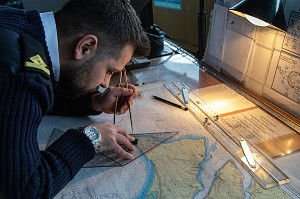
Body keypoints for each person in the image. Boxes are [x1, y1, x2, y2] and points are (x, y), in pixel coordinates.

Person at [0, 0, 150, 198]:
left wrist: (92, 102)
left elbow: (28, 102)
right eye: (109, 71)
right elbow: (26, 189)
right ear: (85, 46)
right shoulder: (21, 77)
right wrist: (90, 138)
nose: (106, 83)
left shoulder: (17, 23)